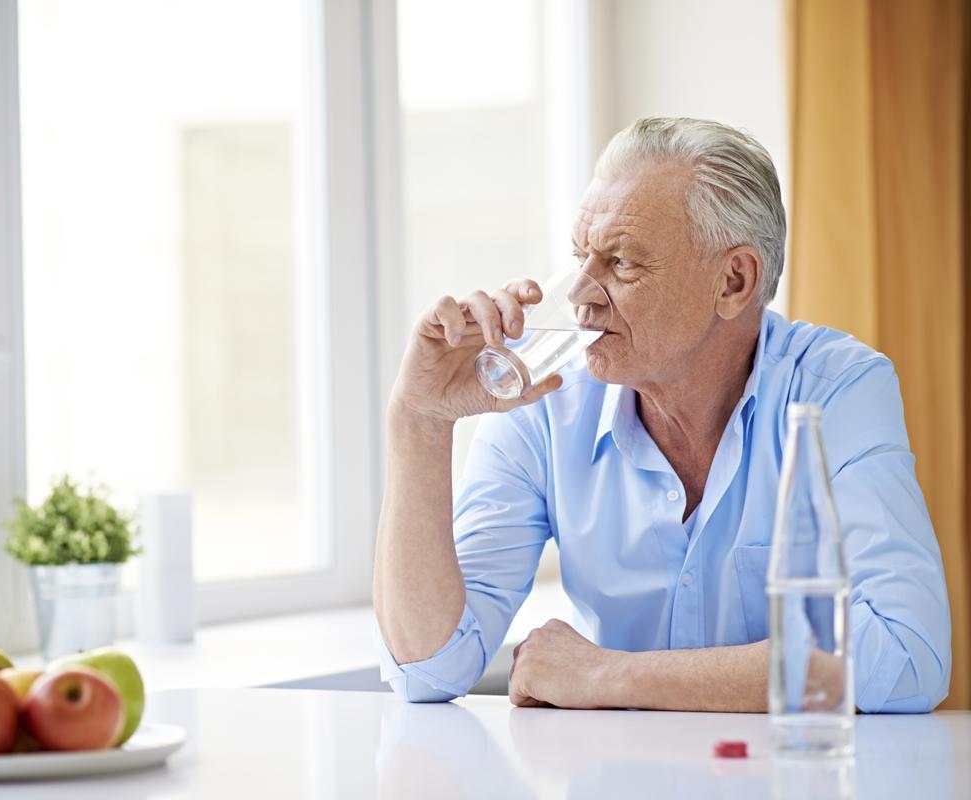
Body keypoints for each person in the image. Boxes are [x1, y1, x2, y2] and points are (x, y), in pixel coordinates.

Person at [372, 117, 951, 713]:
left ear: (733, 281)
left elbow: (907, 655)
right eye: (580, 256)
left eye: (621, 263)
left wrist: (608, 677)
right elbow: (429, 669)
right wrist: (419, 418)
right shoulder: (543, 400)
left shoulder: (836, 389)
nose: (579, 292)